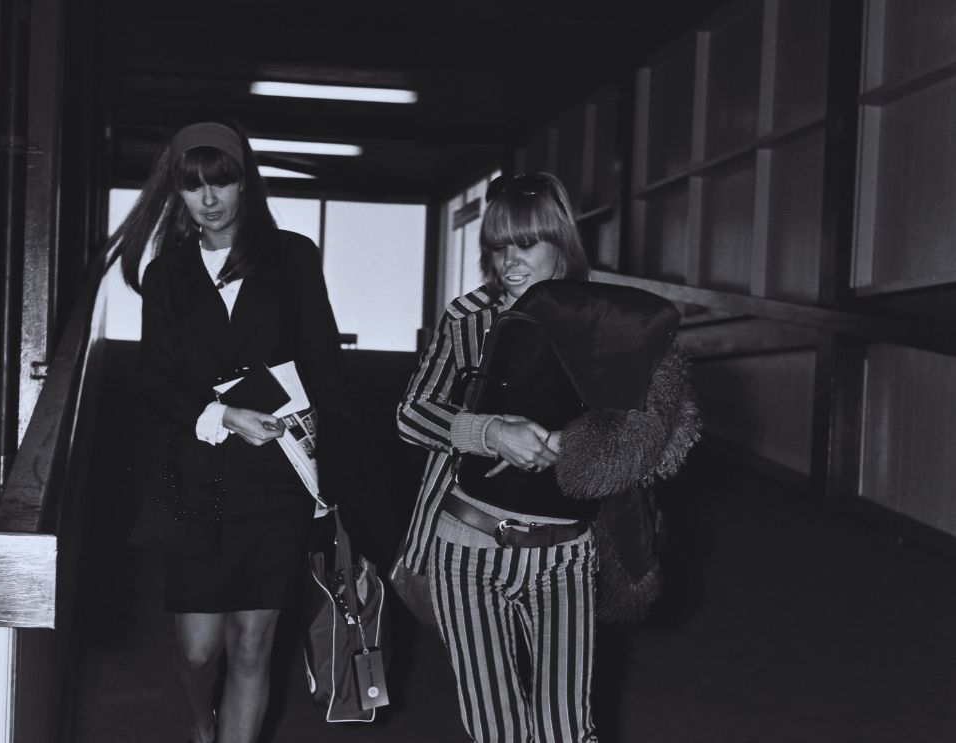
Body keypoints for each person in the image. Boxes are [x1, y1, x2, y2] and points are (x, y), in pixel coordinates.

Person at [394, 172, 698, 743]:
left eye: (526, 243)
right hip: (467, 549)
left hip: (565, 556)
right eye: (498, 245)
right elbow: (410, 415)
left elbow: (655, 437)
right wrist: (487, 432)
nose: (509, 260)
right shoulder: (469, 318)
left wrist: (585, 448)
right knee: (496, 729)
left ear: (560, 240)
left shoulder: (609, 322)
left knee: (566, 731)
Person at [111, 120, 351, 743]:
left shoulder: (293, 255)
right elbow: (155, 376)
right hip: (197, 469)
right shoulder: (166, 274)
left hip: (278, 472)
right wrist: (221, 415)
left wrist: (334, 467)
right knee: (198, 652)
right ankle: (203, 726)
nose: (209, 198)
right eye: (194, 187)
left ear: (247, 184)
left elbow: (323, 359)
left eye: (223, 181)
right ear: (178, 193)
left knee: (252, 645)